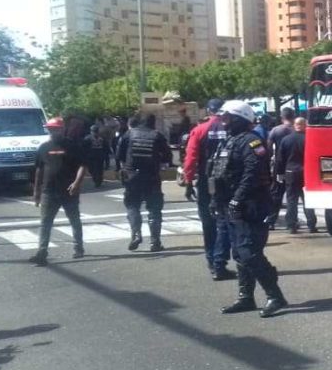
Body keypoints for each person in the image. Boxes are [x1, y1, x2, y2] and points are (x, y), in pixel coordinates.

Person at [211, 100, 289, 318]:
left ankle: (275, 296)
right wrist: (216, 200)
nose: (224, 122)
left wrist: (237, 199)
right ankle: (246, 297)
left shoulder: (252, 141)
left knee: (249, 252)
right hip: (229, 204)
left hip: (251, 205)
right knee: (239, 253)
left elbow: (253, 172)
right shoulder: (228, 141)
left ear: (239, 119)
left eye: (227, 118)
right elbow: (218, 173)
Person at [183, 98, 233, 280]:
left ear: (209, 111)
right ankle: (223, 261)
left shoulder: (200, 129)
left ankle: (212, 260)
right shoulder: (230, 127)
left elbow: (191, 158)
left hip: (207, 181)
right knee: (229, 221)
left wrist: (189, 182)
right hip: (229, 180)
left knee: (208, 222)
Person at [29, 117, 86, 266]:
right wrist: (36, 192)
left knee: (74, 220)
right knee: (45, 222)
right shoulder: (43, 147)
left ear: (62, 129)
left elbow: (82, 165)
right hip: (48, 191)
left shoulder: (72, 146)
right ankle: (42, 252)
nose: (53, 131)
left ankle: (78, 247)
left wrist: (77, 183)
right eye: (51, 129)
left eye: (56, 129)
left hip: (69, 190)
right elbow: (39, 170)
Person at [117, 112, 172, 252]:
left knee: (132, 206)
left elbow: (119, 155)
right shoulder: (157, 135)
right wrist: (161, 163)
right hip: (152, 177)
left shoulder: (129, 134)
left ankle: (136, 234)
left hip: (132, 176)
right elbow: (167, 156)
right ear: (153, 122)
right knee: (154, 209)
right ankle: (155, 242)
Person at [276, 117, 317, 234]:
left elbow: (280, 158)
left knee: (291, 200)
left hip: (290, 172)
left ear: (294, 125)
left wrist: (279, 172)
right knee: (307, 199)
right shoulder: (309, 139)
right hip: (306, 172)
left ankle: (291, 225)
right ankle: (311, 224)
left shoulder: (286, 140)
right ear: (305, 125)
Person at [266, 107, 296, 229]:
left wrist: (268, 164)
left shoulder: (276, 130)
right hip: (296, 165)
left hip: (279, 165)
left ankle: (271, 221)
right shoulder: (297, 130)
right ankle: (293, 222)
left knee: (276, 194)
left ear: (282, 117)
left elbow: (268, 148)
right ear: (293, 116)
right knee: (294, 196)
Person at [84, 124, 108, 188]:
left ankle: (98, 181)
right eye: (93, 131)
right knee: (91, 169)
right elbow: (84, 147)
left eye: (96, 131)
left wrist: (105, 156)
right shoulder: (88, 138)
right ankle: (96, 179)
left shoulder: (102, 138)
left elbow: (106, 147)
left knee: (99, 169)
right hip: (91, 157)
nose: (95, 133)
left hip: (100, 156)